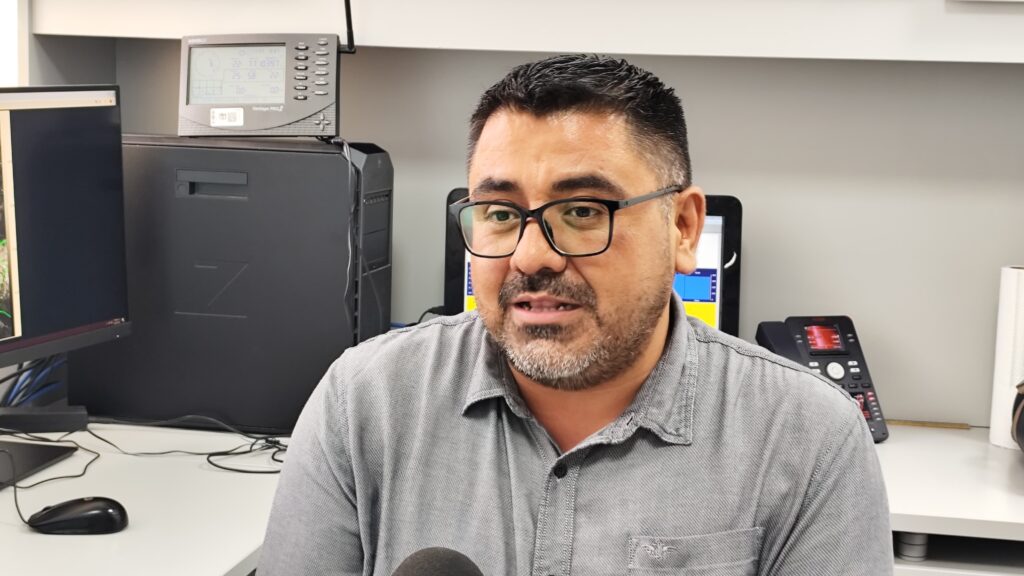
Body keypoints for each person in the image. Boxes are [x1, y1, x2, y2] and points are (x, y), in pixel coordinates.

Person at [259, 54, 893, 575]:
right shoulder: (364, 403)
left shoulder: (808, 440)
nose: (530, 256)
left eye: (584, 211)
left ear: (682, 227)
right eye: (500, 213)